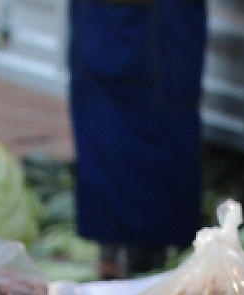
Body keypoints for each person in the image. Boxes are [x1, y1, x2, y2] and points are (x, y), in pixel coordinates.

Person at [68, 0, 205, 278]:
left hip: (158, 27)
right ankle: (118, 262)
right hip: (120, 24)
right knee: (105, 127)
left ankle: (145, 263)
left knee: (153, 128)